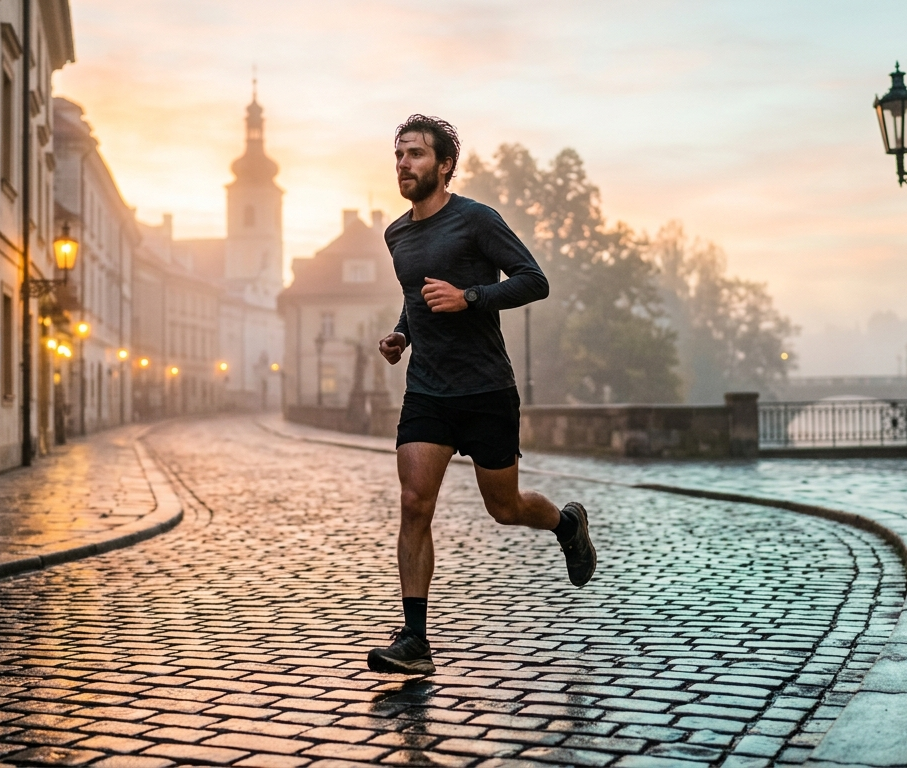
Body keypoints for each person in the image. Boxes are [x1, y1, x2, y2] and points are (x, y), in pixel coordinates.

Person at [367, 114, 596, 676]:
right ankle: (415, 642)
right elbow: (418, 301)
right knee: (414, 504)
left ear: (444, 165)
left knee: (505, 507)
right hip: (427, 392)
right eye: (399, 154)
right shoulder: (397, 233)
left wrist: (470, 296)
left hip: (486, 389)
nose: (404, 164)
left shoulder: (476, 220)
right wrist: (403, 333)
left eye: (416, 154)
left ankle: (567, 525)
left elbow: (533, 279)